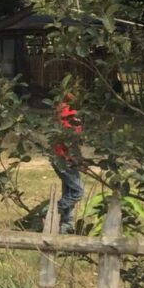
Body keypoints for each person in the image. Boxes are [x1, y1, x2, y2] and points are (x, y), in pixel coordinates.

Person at [51, 96, 85, 234]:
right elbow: (72, 145)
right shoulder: (70, 123)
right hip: (64, 161)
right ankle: (53, 211)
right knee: (78, 192)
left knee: (69, 192)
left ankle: (66, 225)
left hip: (62, 160)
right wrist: (79, 161)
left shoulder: (63, 119)